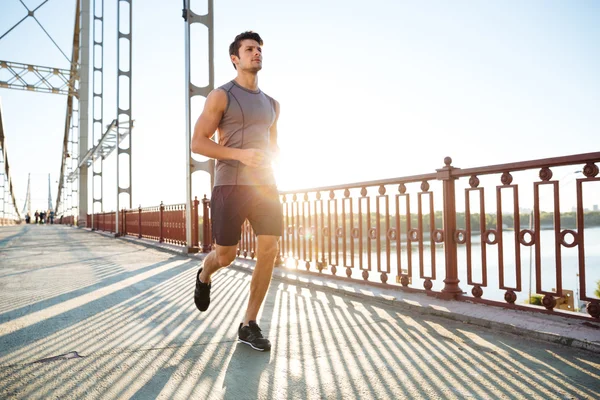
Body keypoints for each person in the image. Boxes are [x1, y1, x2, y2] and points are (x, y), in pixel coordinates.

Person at [191, 31, 282, 352]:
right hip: (229, 184)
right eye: (249, 49)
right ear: (235, 58)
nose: (256, 53)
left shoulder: (273, 104)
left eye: (259, 49)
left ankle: (249, 323)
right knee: (226, 256)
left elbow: (273, 146)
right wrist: (241, 155)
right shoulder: (221, 95)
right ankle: (204, 273)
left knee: (269, 248)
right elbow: (198, 142)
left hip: (265, 186)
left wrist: (272, 159)